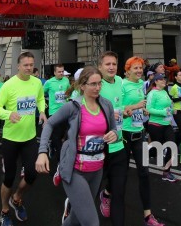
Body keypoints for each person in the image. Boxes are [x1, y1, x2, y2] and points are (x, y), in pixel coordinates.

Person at [37, 66, 119, 226]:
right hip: (75, 170)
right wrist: (42, 152)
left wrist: (114, 135)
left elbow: (115, 130)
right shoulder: (73, 107)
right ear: (82, 86)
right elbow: (49, 124)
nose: (98, 88)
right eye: (93, 84)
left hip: (97, 169)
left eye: (99, 83)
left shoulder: (106, 105)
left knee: (75, 218)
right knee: (91, 222)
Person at [0, 52, 47, 226]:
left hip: (30, 137)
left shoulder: (37, 82)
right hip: (11, 138)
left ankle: (17, 198)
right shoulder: (8, 85)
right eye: (26, 65)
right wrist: (9, 114)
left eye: (31, 65)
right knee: (9, 177)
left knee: (32, 174)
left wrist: (43, 111)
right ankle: (4, 210)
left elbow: (39, 99)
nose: (29, 68)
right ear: (18, 66)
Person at [121, 56, 165, 226]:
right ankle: (108, 194)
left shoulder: (141, 85)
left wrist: (144, 110)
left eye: (140, 68)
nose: (139, 71)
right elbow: (119, 110)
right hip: (124, 134)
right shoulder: (122, 85)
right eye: (135, 68)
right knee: (121, 174)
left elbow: (140, 105)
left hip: (139, 133)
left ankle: (148, 215)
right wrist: (135, 107)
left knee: (144, 173)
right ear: (127, 71)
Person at [95, 51, 126, 224]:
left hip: (119, 145)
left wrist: (126, 111)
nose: (112, 67)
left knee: (119, 193)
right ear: (100, 67)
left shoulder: (120, 81)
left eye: (114, 64)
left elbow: (120, 106)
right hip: (100, 147)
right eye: (108, 64)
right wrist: (106, 115)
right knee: (90, 192)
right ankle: (73, 208)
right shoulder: (96, 85)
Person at [146, 73, 177, 182]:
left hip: (167, 125)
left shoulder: (164, 92)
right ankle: (141, 156)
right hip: (155, 125)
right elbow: (148, 109)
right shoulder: (152, 94)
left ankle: (166, 171)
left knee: (172, 145)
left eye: (165, 79)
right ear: (156, 81)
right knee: (156, 149)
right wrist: (163, 112)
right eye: (162, 79)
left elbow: (168, 105)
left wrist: (172, 110)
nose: (164, 81)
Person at [43, 64, 71, 158]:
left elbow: (69, 92)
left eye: (62, 71)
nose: (61, 73)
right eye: (59, 72)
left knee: (65, 134)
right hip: (54, 112)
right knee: (56, 135)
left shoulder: (66, 80)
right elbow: (41, 93)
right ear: (54, 72)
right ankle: (60, 156)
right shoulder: (49, 82)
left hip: (66, 111)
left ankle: (53, 145)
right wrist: (44, 103)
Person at [168, 70, 181, 151]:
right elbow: (170, 99)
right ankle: (174, 145)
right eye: (179, 75)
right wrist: (179, 99)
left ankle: (179, 146)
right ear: (176, 77)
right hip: (177, 111)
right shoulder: (174, 87)